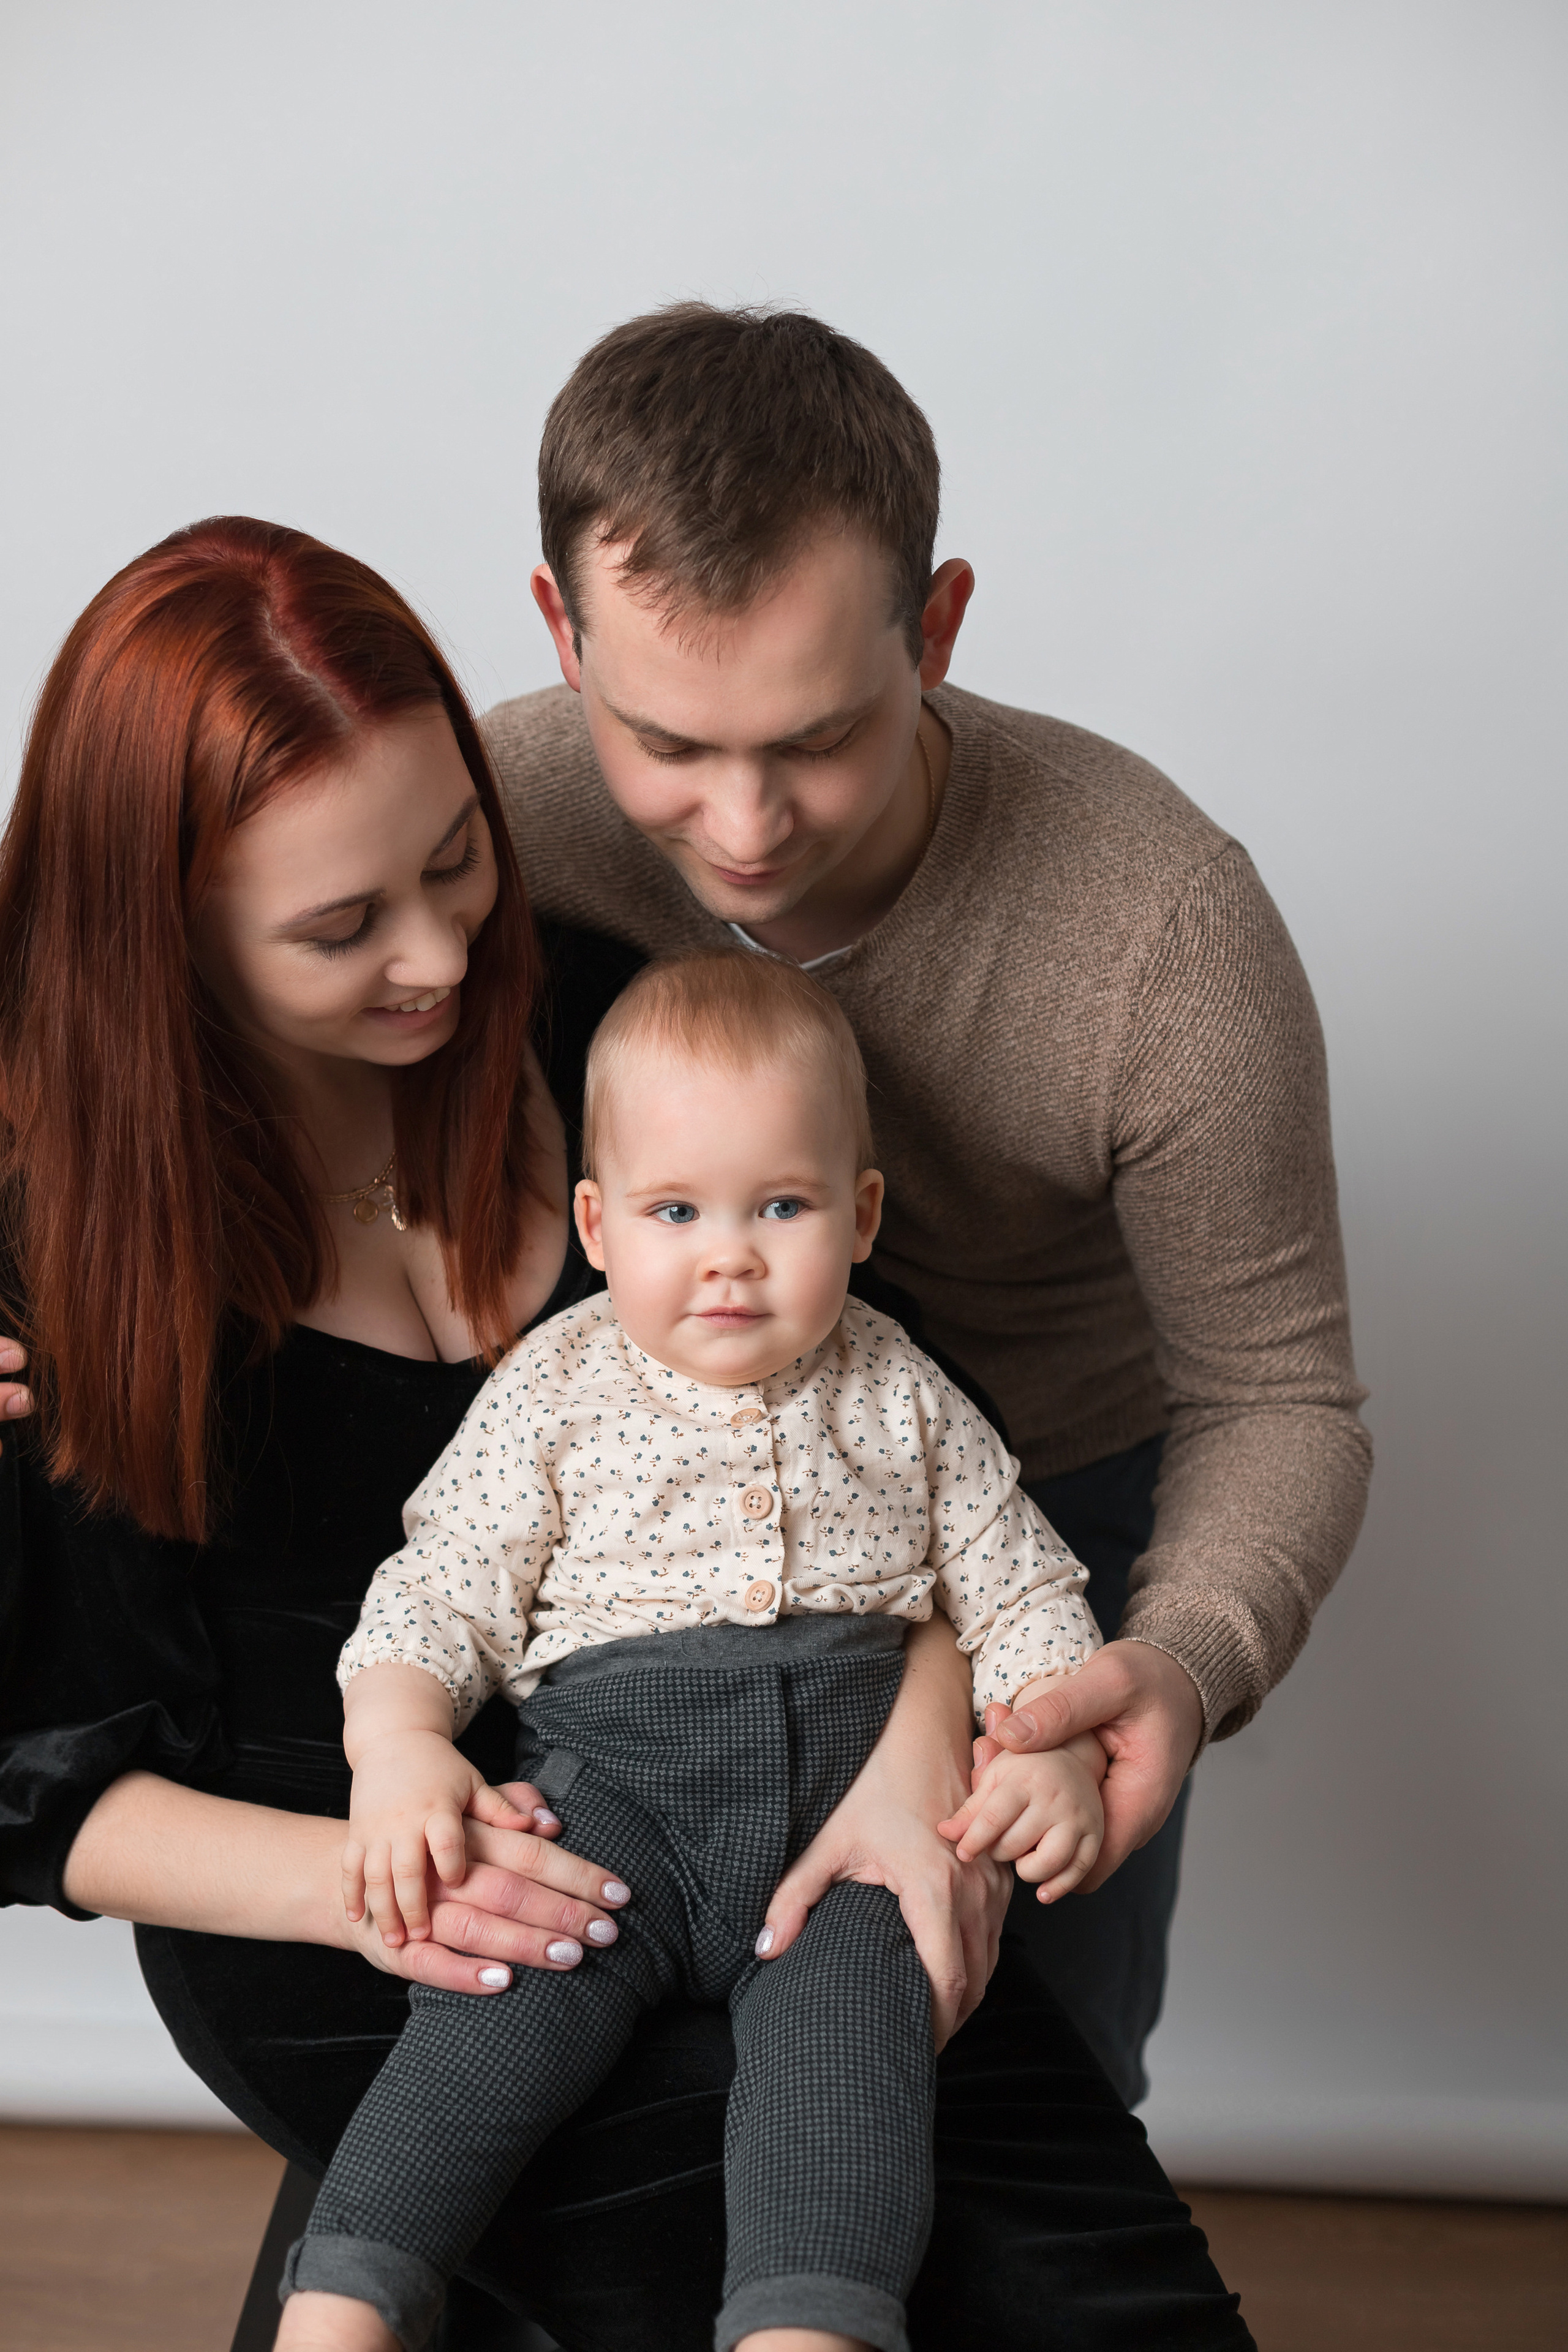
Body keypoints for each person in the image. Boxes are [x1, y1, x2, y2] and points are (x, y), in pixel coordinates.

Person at [0, 519, 1254, 2348]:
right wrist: (389, 1875)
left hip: (813, 1833)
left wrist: (918, 1764)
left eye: (457, 859)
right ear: (165, 940)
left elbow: (891, 1461)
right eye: (343, 926)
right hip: (386, 1929)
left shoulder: (602, 1022)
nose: (441, 955)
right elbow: (30, 1776)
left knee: (1095, 2282)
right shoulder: (51, 1253)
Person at [484, 301, 1374, 2106]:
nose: (743, 828)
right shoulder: (496, 810)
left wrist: (1177, 1661)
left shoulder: (1162, 932)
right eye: (668, 746)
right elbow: (151, 981)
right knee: (578, 2095)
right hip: (637, 1498)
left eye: (816, 739)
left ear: (939, 626)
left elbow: (1277, 1394)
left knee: (1032, 2102)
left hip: (1046, 1519)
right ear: (561, 633)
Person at [280, 949, 1106, 2352]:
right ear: (597, 1225)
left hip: (847, 1834)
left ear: (860, 1214)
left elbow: (1015, 1587)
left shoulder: (902, 1391)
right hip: (616, 1806)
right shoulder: (553, 1386)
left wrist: (1053, 1743)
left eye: (780, 1206)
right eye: (675, 1211)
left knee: (848, 2092)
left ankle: (805, 2329)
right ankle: (344, 2305)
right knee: (480, 2036)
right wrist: (399, 1746)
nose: (728, 1255)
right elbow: (441, 1590)